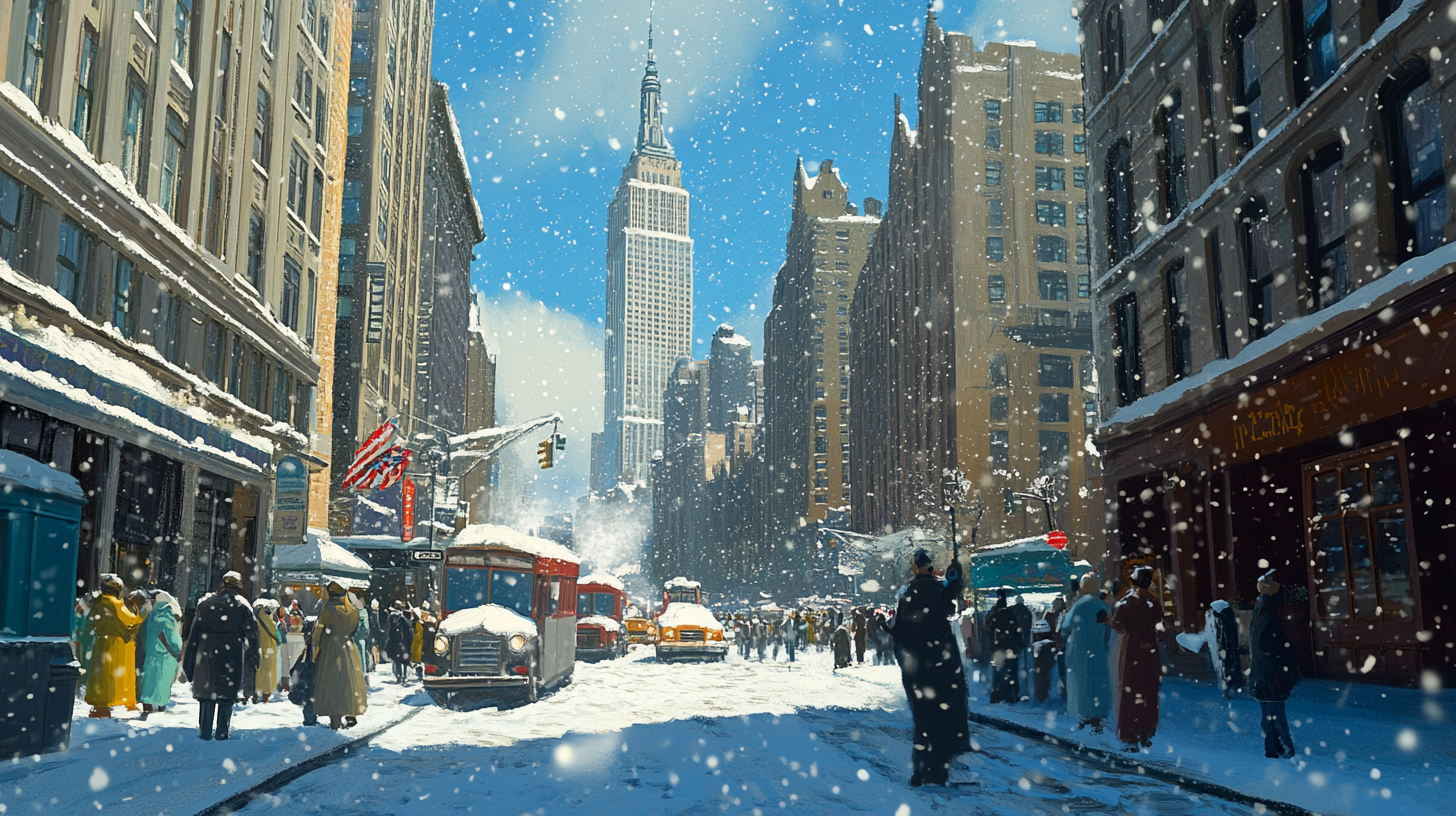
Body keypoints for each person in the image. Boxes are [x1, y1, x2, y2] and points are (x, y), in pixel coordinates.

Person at [881, 548, 968, 787]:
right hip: (943, 663)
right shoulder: (940, 589)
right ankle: (939, 771)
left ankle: (921, 771)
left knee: (924, 720)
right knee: (943, 717)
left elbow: (901, 631)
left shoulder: (908, 594)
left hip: (919, 665)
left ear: (915, 567)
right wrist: (955, 581)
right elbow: (950, 609)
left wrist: (885, 627)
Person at [182, 572, 260, 740]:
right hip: (231, 651)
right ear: (238, 587)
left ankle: (205, 731)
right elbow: (252, 634)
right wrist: (255, 656)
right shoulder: (242, 605)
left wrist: (188, 663)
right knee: (226, 694)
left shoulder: (205, 604)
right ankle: (222, 732)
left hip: (206, 650)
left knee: (206, 695)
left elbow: (194, 634)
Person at [1249, 571, 1300, 758]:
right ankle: (1282, 747)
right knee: (1275, 712)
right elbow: (1268, 644)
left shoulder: (1261, 610)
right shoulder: (1269, 612)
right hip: (1271, 674)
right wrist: (1284, 660)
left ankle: (1275, 746)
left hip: (1264, 673)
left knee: (1270, 712)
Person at [1111, 566, 1162, 751]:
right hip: (1150, 650)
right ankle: (1147, 731)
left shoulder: (1128, 603)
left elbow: (1118, 625)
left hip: (1133, 649)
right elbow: (1159, 625)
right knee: (1148, 690)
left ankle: (1131, 733)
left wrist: (1105, 620)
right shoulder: (1153, 603)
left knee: (1131, 690)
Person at [84, 574, 143, 718]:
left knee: (100, 675)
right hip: (115, 645)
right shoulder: (116, 604)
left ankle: (99, 705)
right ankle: (107, 706)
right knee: (113, 676)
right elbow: (131, 620)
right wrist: (140, 611)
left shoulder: (96, 602)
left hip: (100, 643)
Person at [313, 581, 367, 730]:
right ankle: (348, 710)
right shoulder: (353, 611)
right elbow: (354, 630)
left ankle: (334, 720)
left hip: (330, 649)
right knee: (347, 682)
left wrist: (316, 647)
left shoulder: (328, 610)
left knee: (331, 683)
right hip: (348, 649)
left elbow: (317, 633)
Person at [1061, 575, 1112, 732]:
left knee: (1083, 683)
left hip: (1081, 652)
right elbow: (1108, 631)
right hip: (1098, 651)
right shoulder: (1103, 606)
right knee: (1098, 684)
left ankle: (1085, 717)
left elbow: (1065, 628)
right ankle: (1097, 717)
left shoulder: (1078, 606)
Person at [138, 590, 183, 719]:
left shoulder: (153, 612)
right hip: (163, 653)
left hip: (152, 650)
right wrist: (174, 650)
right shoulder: (166, 612)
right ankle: (159, 706)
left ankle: (148, 706)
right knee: (161, 680)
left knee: (150, 679)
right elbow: (169, 634)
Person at [984, 588, 1025, 704]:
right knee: (1012, 672)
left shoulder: (994, 615)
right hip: (1012, 648)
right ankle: (1012, 695)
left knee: (998, 672)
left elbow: (987, 628)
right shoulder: (1012, 614)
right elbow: (1018, 631)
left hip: (999, 649)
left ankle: (997, 695)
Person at [288, 617, 319, 727]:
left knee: (309, 695)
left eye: (306, 633)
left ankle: (310, 717)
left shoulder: (313, 645)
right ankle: (310, 717)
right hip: (309, 676)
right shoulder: (309, 645)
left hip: (310, 675)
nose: (305, 636)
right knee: (309, 696)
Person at [252, 599, 281, 702]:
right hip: (267, 646)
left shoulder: (257, 616)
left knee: (259, 669)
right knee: (267, 670)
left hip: (261, 646)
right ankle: (265, 692)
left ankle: (256, 690)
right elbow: (272, 629)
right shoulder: (266, 617)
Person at [386, 601, 413, 683]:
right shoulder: (404, 617)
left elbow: (390, 631)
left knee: (397, 659)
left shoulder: (391, 617)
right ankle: (404, 675)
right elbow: (409, 630)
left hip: (395, 642)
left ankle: (398, 675)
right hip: (404, 642)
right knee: (404, 659)